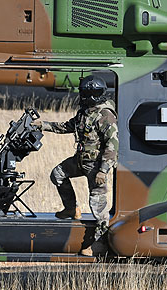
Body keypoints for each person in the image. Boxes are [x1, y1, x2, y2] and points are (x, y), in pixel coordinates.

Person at [32, 75, 118, 256]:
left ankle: (100, 244)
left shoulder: (105, 115)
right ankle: (71, 208)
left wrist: (103, 170)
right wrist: (43, 125)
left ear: (90, 94)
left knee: (98, 206)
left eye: (84, 93)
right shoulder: (85, 112)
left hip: (95, 167)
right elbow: (67, 126)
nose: (81, 96)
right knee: (57, 174)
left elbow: (112, 144)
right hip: (80, 161)